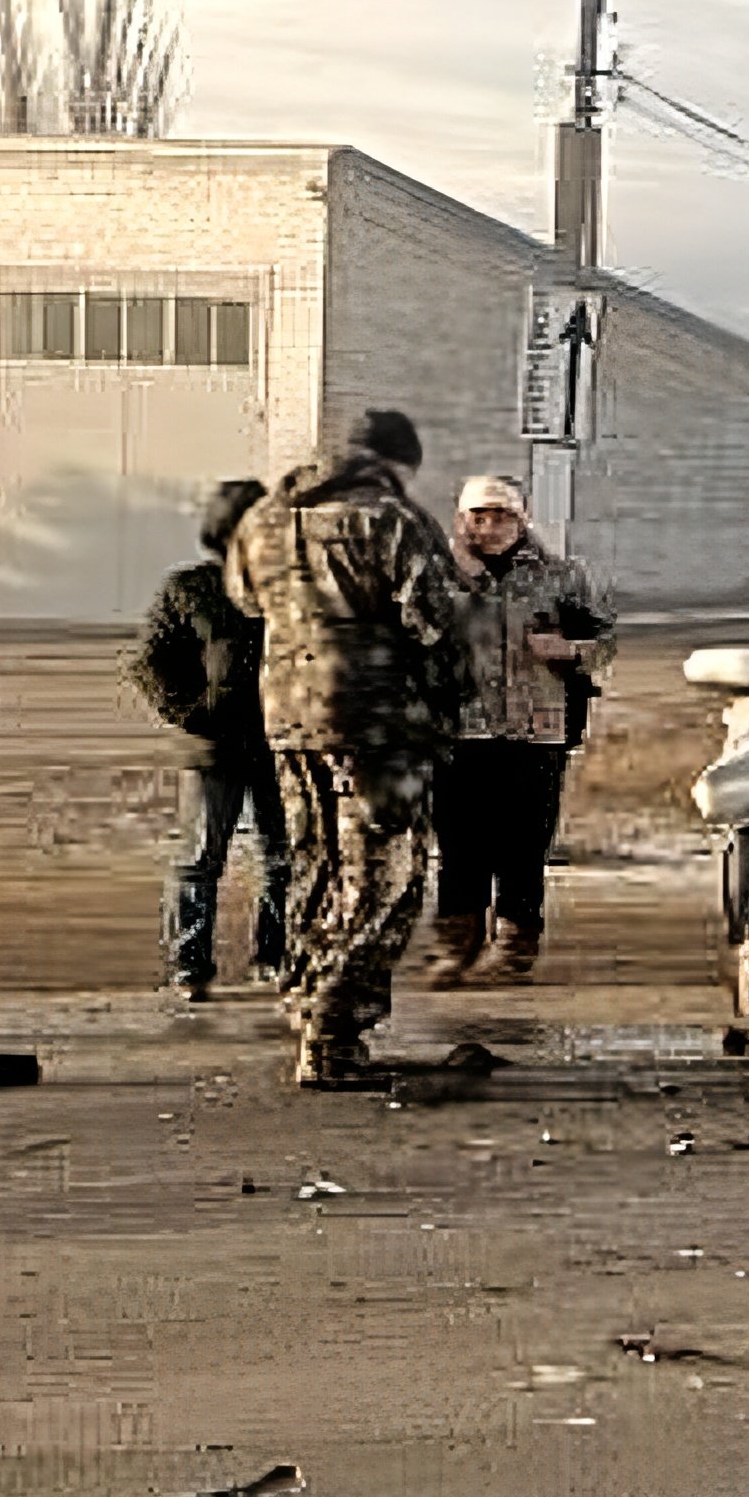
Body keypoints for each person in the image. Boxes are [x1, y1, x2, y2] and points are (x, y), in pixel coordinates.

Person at [225, 410, 472, 1087]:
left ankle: (306, 1004)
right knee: (387, 874)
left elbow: (244, 600)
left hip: (288, 717)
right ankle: (334, 1031)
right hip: (377, 723)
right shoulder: (389, 517)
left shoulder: (264, 518)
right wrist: (450, 706)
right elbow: (434, 623)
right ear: (397, 462)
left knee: (316, 864)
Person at [427, 475, 615, 988]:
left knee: (524, 848)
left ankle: (514, 946)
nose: (489, 528)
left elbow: (606, 640)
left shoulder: (561, 577)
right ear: (461, 519)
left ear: (522, 519)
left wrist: (569, 651)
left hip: (536, 733)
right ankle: (455, 944)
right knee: (459, 848)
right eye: (478, 517)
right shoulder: (437, 578)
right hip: (459, 733)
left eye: (501, 517)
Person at [131, 479, 288, 1002]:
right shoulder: (191, 588)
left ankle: (274, 957)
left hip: (283, 744)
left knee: (281, 856)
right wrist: (194, 713)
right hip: (215, 749)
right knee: (202, 856)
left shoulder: (292, 590)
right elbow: (151, 662)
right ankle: (190, 964)